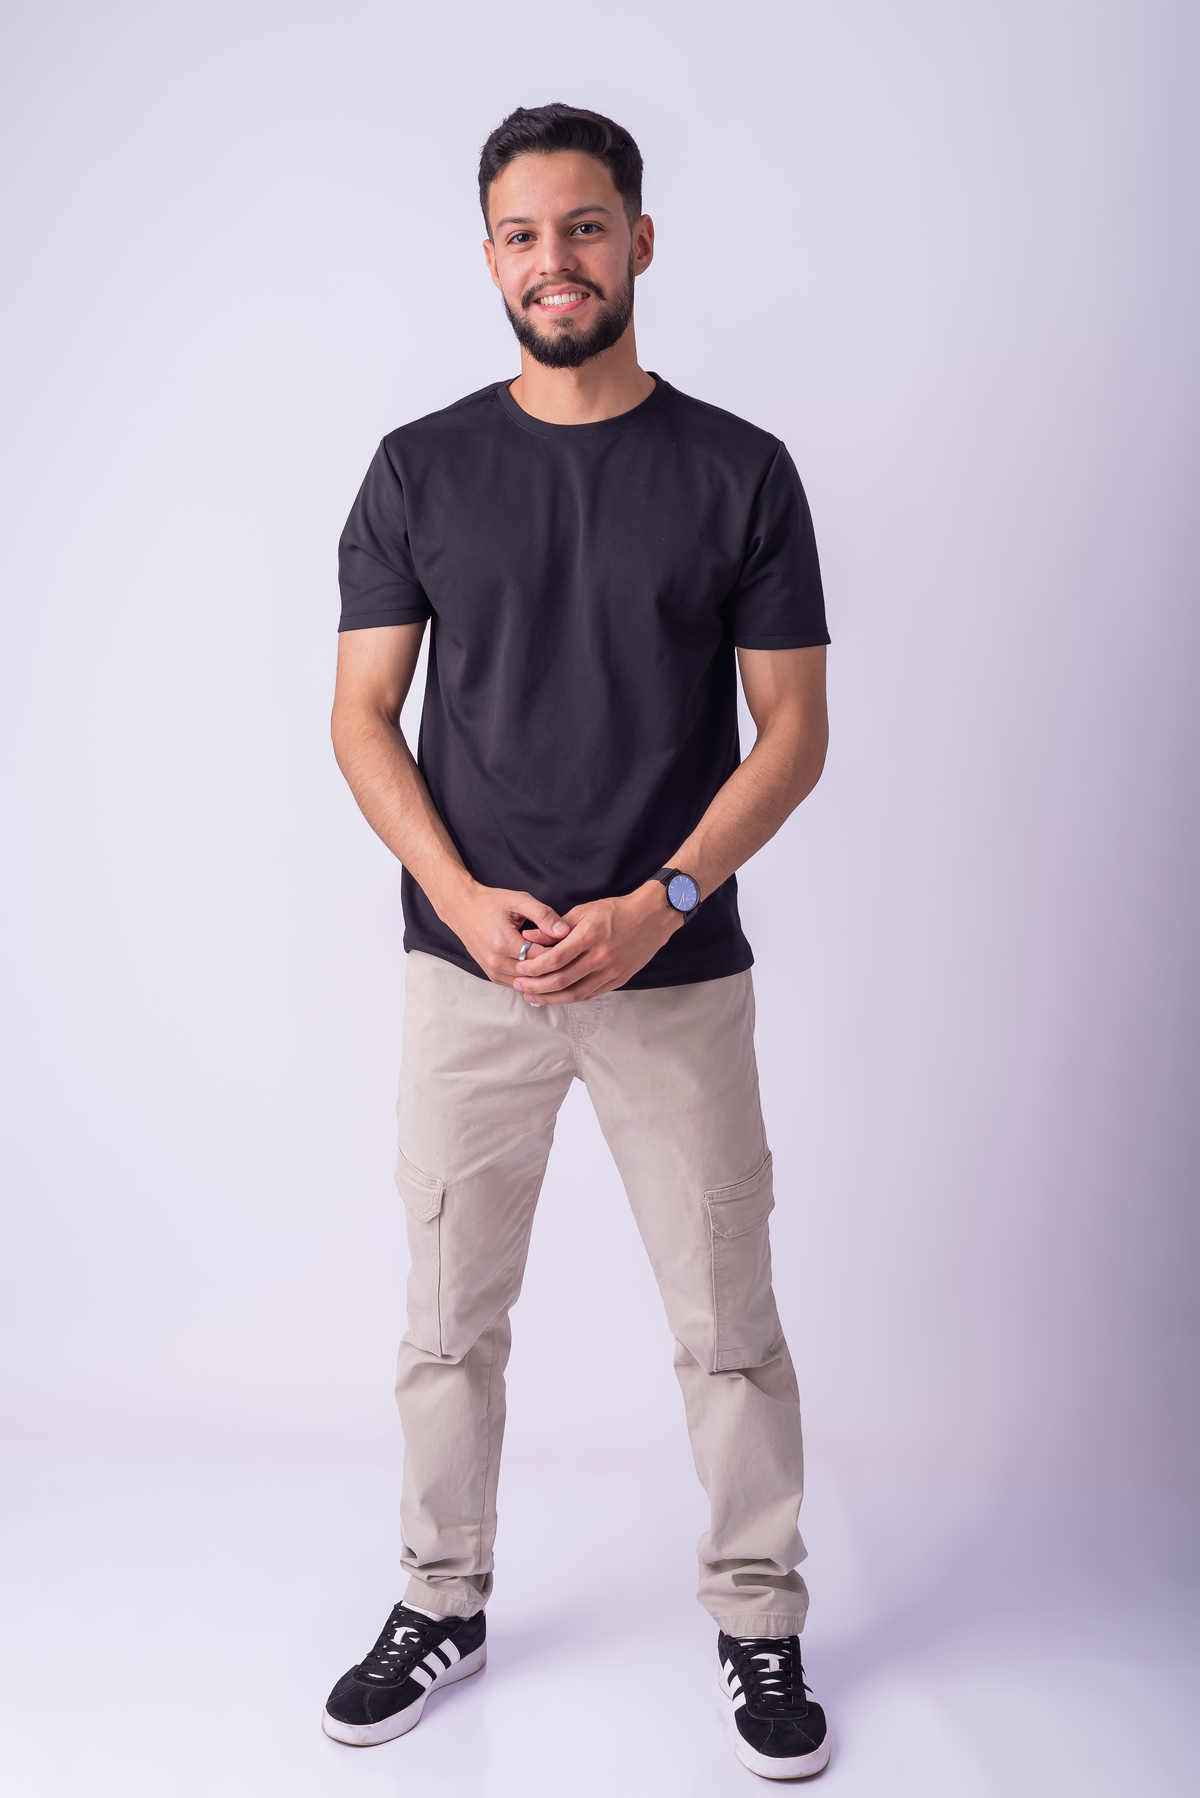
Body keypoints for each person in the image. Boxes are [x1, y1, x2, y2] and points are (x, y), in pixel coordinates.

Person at [322, 102, 831, 1782]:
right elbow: (362, 717)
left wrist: (659, 901)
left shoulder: (740, 471)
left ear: (641, 242)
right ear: (490, 259)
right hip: (467, 972)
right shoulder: (418, 468)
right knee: (445, 1319)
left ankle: (758, 1614)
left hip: (673, 975)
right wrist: (468, 901)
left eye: (587, 226)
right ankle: (440, 1597)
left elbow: (793, 733)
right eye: (525, 234)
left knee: (727, 1322)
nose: (558, 260)